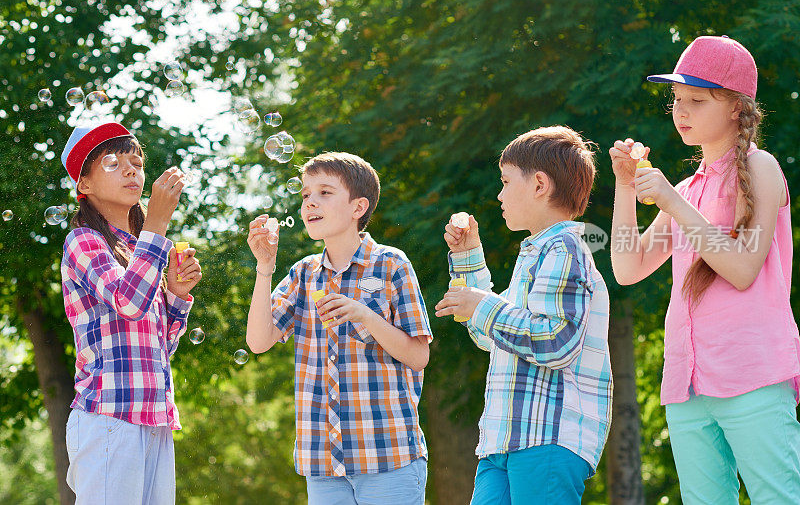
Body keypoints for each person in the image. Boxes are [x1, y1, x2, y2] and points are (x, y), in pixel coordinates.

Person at [609, 35, 800, 503]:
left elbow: (741, 269)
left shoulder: (762, 168)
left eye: (696, 99)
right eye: (676, 99)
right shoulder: (687, 188)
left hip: (751, 376)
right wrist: (623, 188)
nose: (681, 110)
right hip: (688, 384)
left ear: (736, 107)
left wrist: (672, 202)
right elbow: (626, 266)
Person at [435, 126, 612, 504]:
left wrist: (481, 306)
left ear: (539, 185)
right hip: (504, 438)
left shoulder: (565, 248)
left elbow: (555, 343)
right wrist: (468, 258)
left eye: (504, 181)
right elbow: (493, 336)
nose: (498, 194)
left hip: (548, 437)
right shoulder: (534, 254)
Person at [245, 152, 432, 505]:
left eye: (325, 192)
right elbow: (258, 341)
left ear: (358, 207)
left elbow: (419, 356)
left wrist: (365, 315)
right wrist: (264, 268)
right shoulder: (303, 274)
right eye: (305, 195)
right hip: (323, 464)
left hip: (387, 457)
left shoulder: (391, 264)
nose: (310, 201)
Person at [61, 122, 201, 504]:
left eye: (137, 163)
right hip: (109, 417)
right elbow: (129, 302)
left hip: (154, 417)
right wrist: (157, 221)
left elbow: (161, 348)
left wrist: (176, 293)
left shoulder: (141, 249)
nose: (131, 170)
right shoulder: (84, 241)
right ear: (83, 185)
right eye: (112, 163)